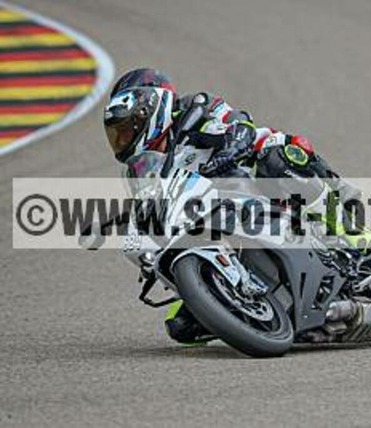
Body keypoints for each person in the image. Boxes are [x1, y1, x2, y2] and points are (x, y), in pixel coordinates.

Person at [103, 68, 353, 345]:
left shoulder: (194, 110)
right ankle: (268, 308)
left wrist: (231, 149)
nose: (122, 140)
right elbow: (149, 204)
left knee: (275, 157)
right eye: (117, 134)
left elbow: (239, 123)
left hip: (256, 176)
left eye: (126, 130)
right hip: (219, 214)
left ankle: (344, 231)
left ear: (149, 111)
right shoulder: (142, 169)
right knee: (181, 327)